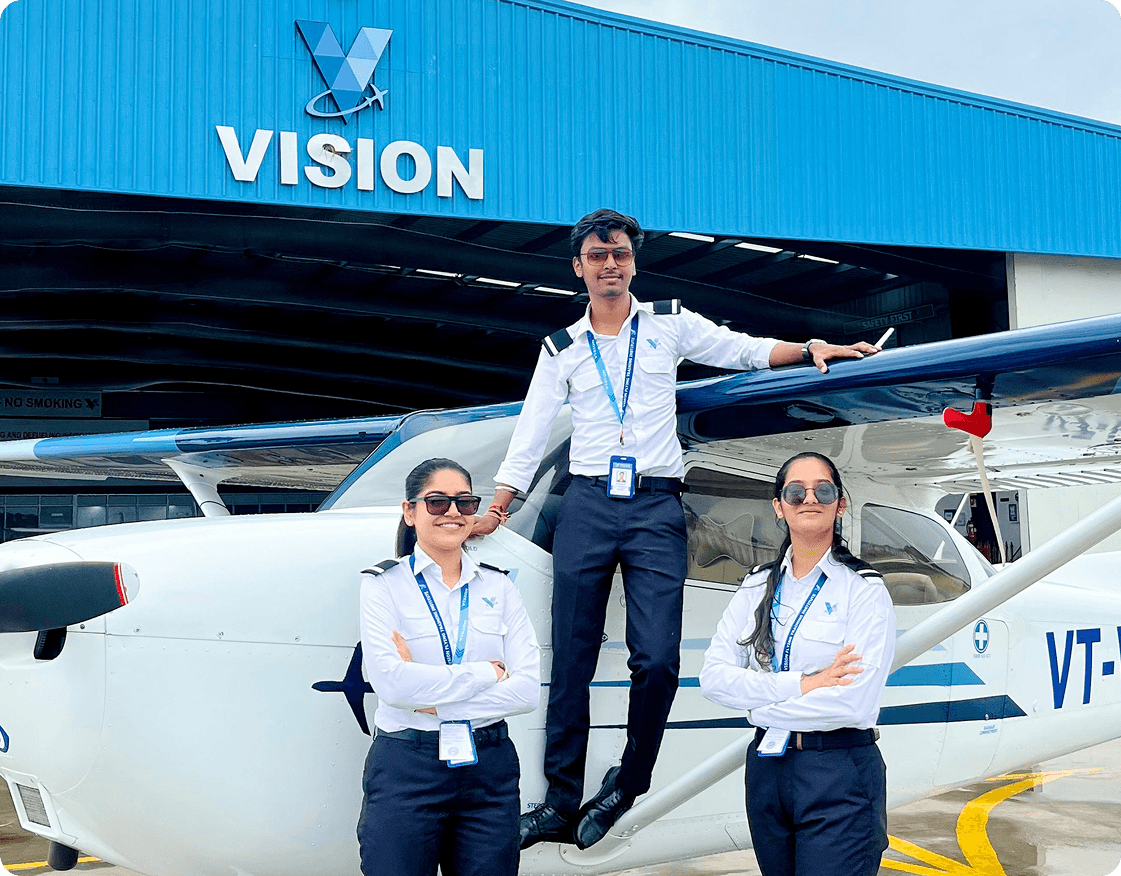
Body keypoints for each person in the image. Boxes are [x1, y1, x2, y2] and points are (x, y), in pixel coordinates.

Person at [470, 208, 883, 851]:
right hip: (586, 506)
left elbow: (740, 349)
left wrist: (809, 349)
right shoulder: (562, 350)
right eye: (598, 256)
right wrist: (496, 507)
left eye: (621, 255)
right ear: (578, 267)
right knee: (571, 657)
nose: (611, 265)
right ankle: (558, 799)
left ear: (633, 262)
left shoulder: (669, 324)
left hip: (656, 508)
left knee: (658, 659)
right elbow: (529, 436)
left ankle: (627, 782)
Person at [699, 452, 896, 876]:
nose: (810, 498)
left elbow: (852, 704)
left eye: (823, 490)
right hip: (768, 770)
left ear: (839, 503)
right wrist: (806, 684)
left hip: (838, 772)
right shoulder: (755, 585)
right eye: (796, 491)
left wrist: (758, 701)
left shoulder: (863, 590)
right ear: (778, 505)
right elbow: (713, 678)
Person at [357, 458, 541, 876]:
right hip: (408, 766)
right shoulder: (382, 586)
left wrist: (429, 699)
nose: (453, 513)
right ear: (410, 511)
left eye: (465, 502)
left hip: (488, 769)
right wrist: (486, 674)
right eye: (437, 502)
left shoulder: (499, 586)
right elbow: (393, 685)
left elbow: (528, 690)